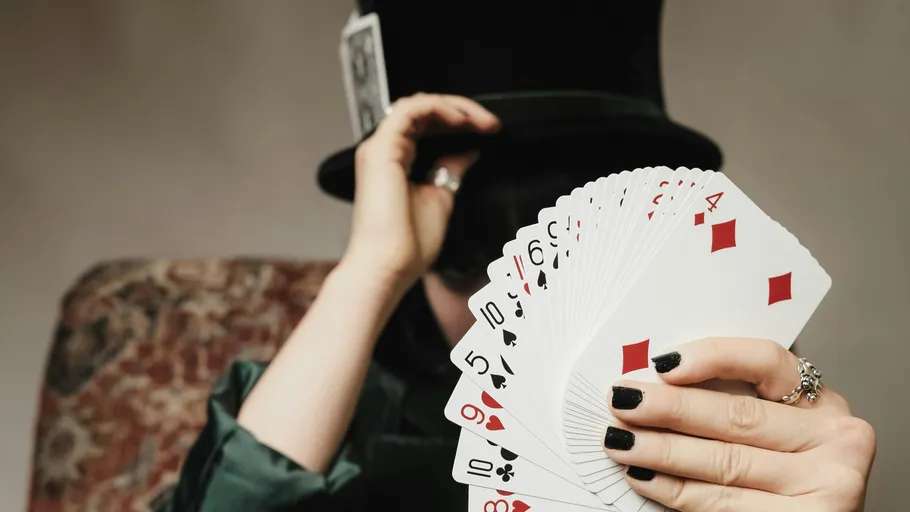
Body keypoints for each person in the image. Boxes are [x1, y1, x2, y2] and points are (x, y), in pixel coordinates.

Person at [166, 2, 876, 511]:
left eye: (555, 266)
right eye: (463, 259)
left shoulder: (730, 402)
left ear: (640, 236)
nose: (499, 309)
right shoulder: (347, 418)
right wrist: (374, 267)